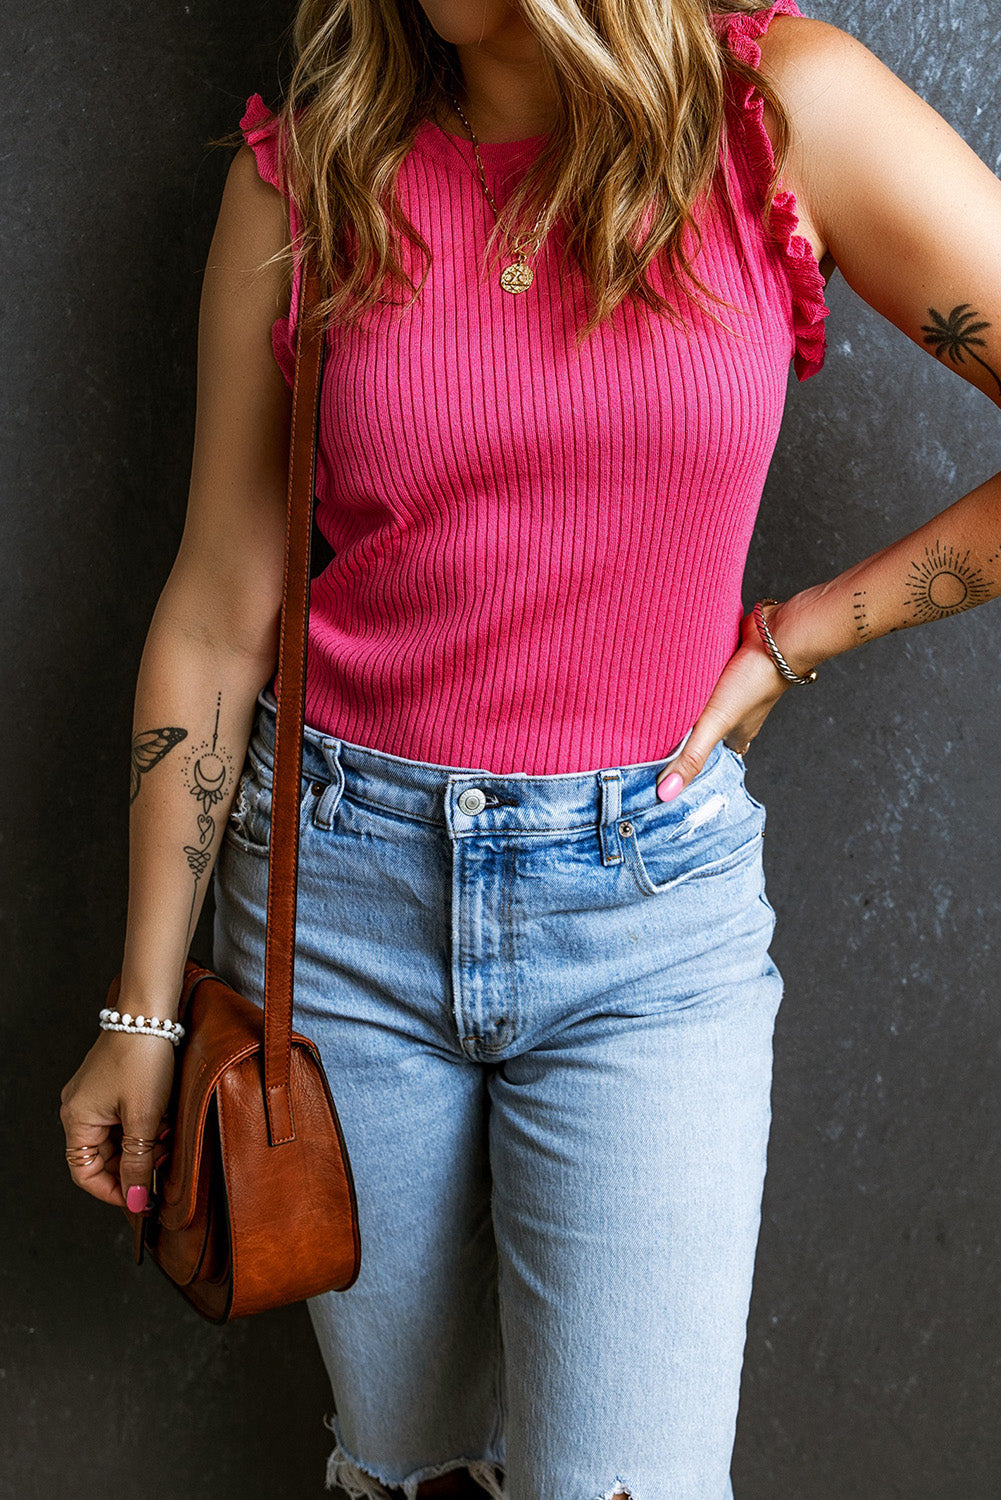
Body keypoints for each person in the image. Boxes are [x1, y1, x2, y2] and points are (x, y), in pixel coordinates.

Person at [60, 0, 1001, 1495]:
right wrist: (143, 1008)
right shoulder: (306, 172)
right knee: (411, 1467)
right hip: (340, 911)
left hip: (645, 925)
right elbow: (220, 609)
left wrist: (797, 634)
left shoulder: (774, 112)